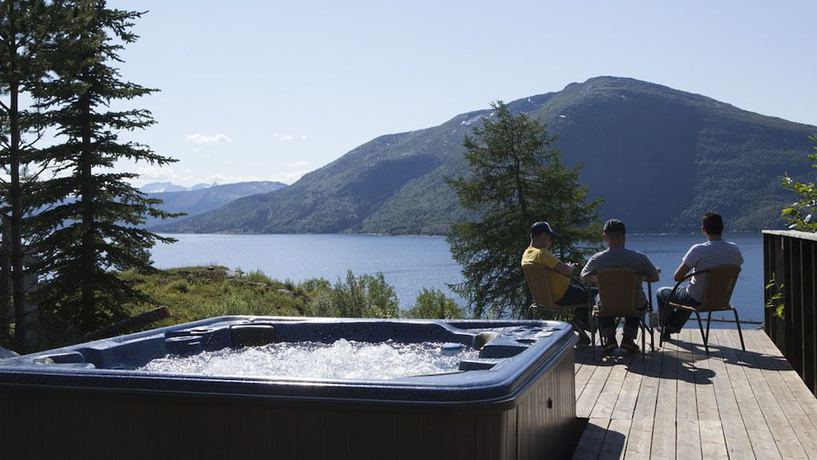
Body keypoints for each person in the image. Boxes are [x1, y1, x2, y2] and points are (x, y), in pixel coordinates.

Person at [657, 212, 743, 339]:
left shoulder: (698, 250)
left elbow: (677, 277)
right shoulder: (734, 249)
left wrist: (693, 276)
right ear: (722, 228)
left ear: (704, 229)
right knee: (691, 295)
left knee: (662, 292)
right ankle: (671, 326)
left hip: (697, 298)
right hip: (721, 299)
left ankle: (665, 328)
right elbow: (735, 266)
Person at [581, 219, 660, 354]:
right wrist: (639, 277)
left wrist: (599, 279)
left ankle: (610, 339)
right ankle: (628, 339)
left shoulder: (597, 259)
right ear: (624, 236)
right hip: (633, 305)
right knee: (638, 301)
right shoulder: (638, 257)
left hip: (608, 305)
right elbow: (655, 278)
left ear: (604, 237)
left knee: (601, 302)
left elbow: (583, 277)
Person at [521, 221, 593, 344]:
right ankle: (581, 324)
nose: (550, 241)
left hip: (543, 298)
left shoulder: (527, 254)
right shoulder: (541, 253)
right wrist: (570, 267)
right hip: (562, 295)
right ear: (543, 236)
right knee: (593, 294)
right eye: (549, 237)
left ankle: (579, 326)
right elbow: (566, 270)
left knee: (584, 293)